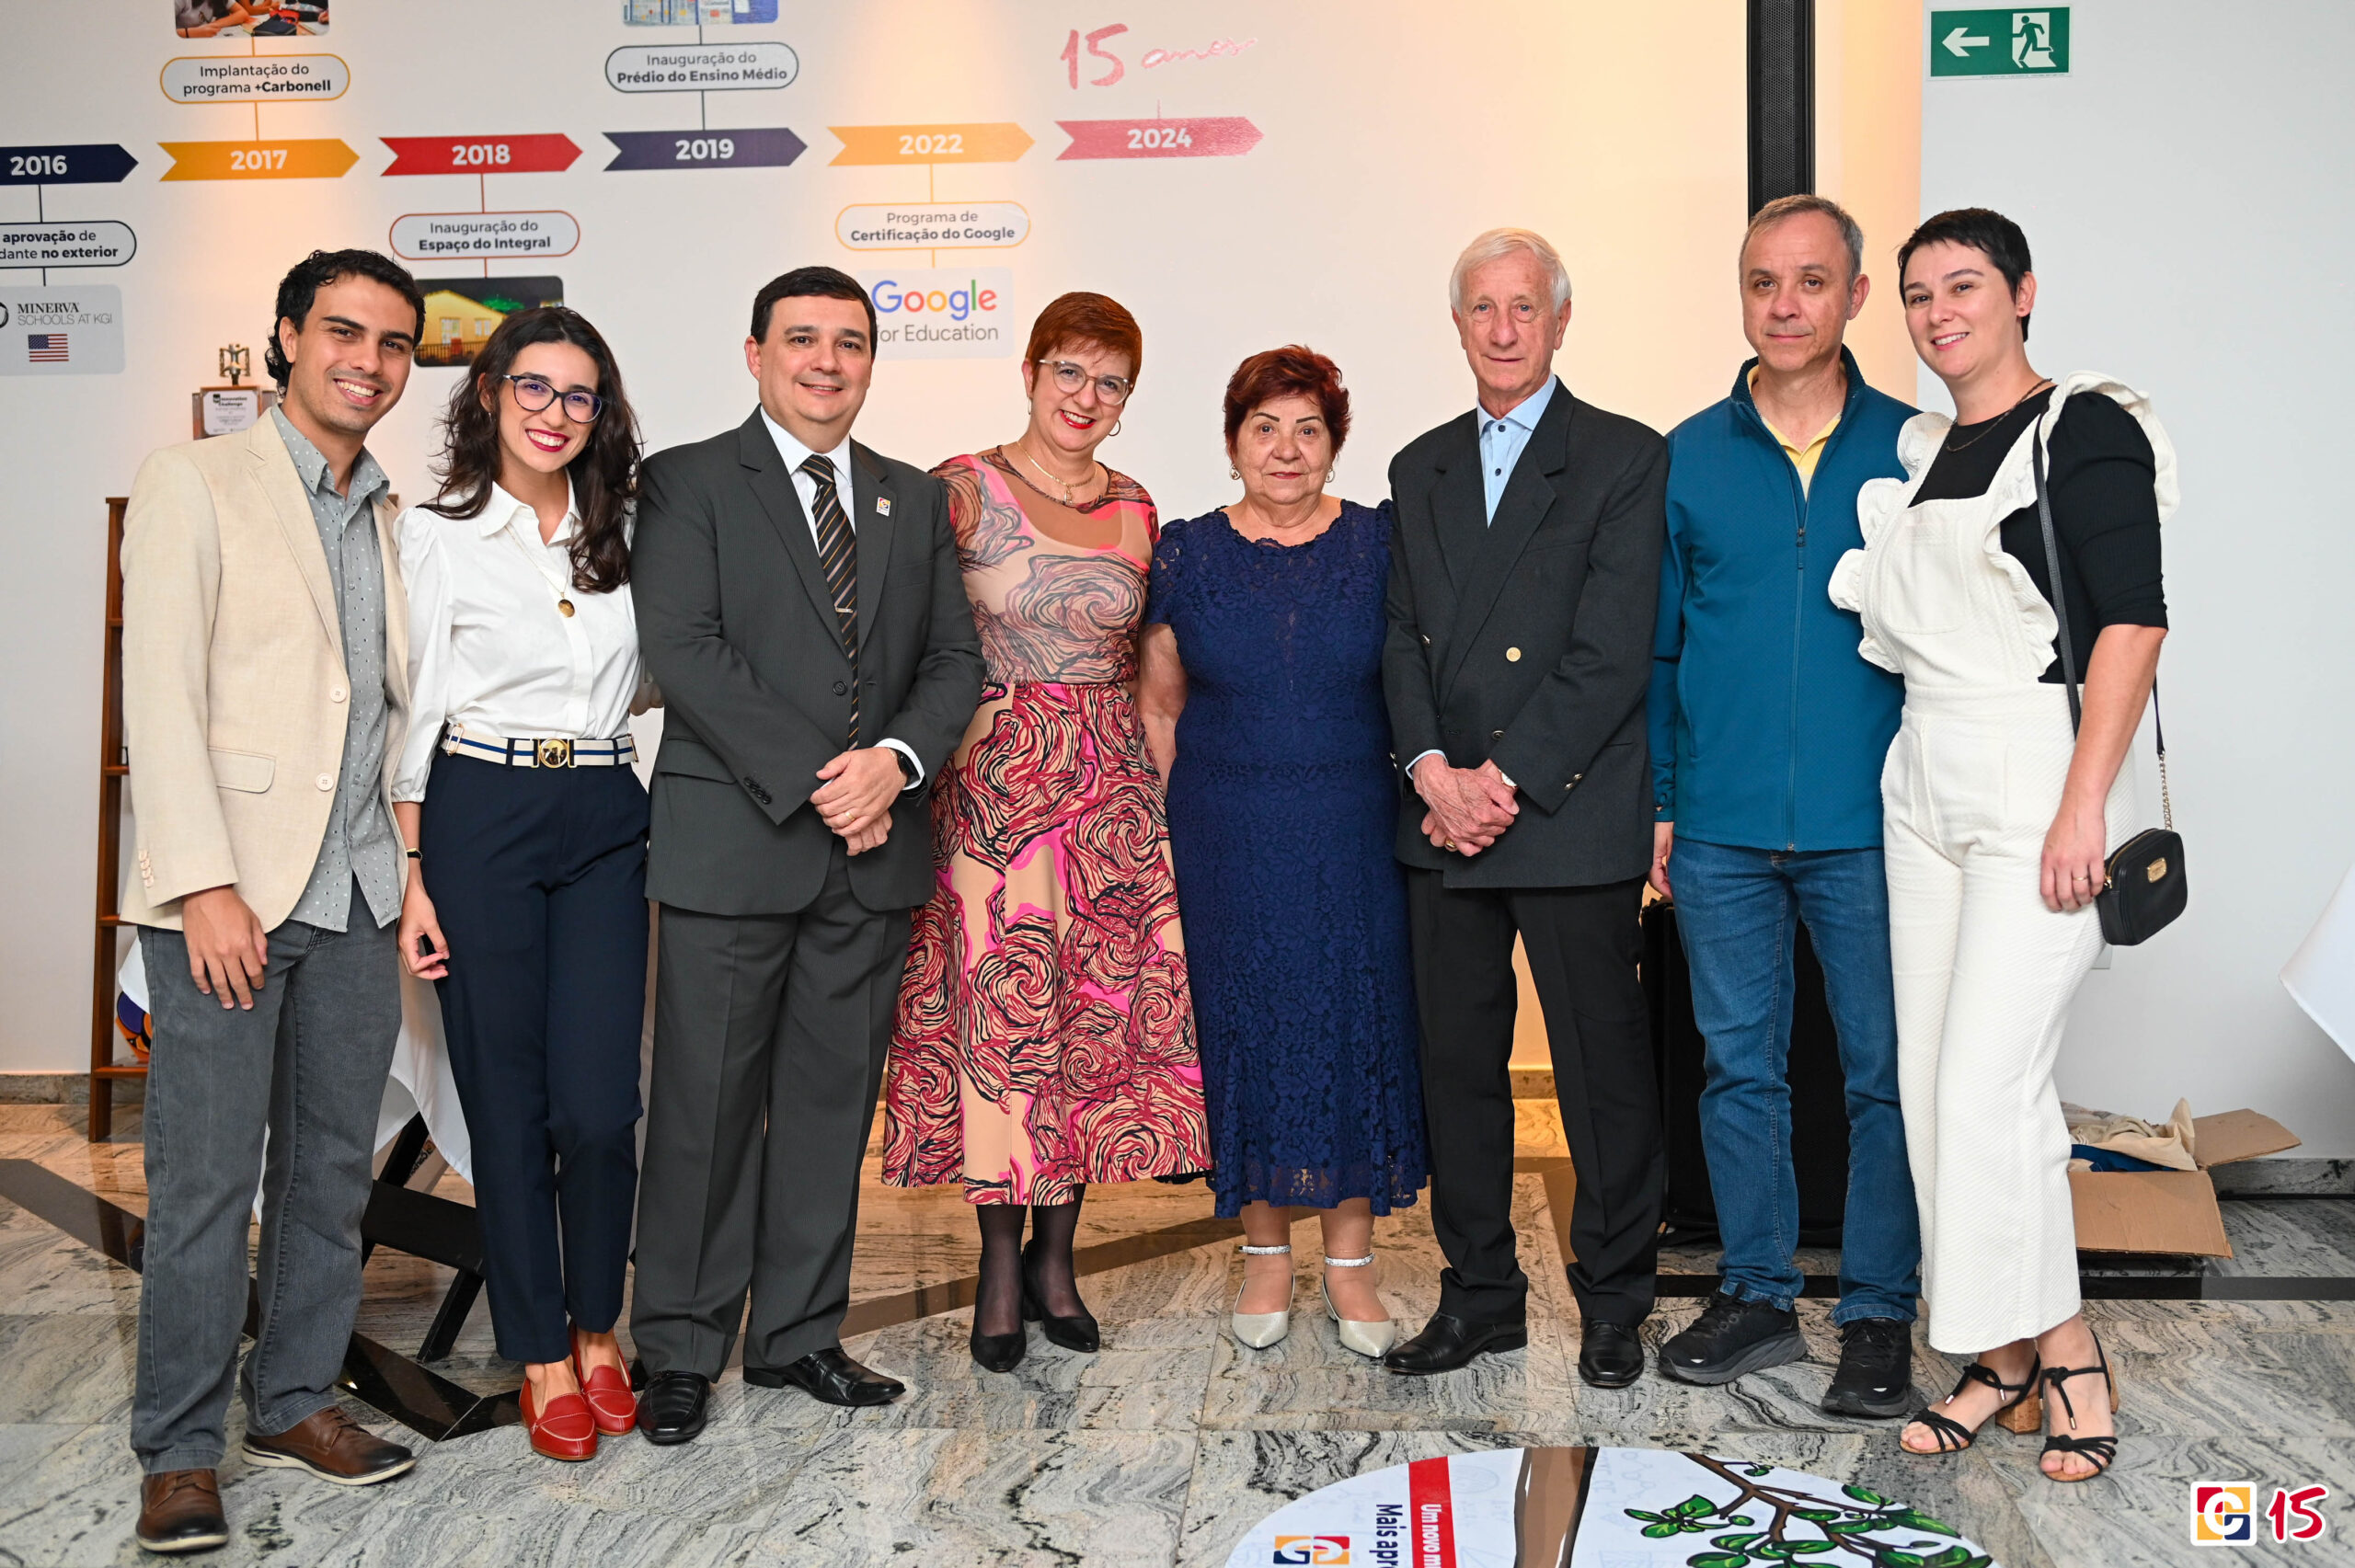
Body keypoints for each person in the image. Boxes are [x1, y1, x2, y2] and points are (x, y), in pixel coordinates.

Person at [1829, 208, 2171, 1482]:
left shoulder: (2084, 424)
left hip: (2037, 771)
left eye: (1964, 286)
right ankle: (2001, 1351)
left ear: (2022, 293)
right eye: (1918, 295)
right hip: (1921, 773)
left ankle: (2066, 1349)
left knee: (1988, 1086)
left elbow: (2132, 623)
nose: (1938, 314)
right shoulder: (1924, 453)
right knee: (1935, 1088)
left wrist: (2085, 803)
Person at [627, 267, 985, 1444]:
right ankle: (681, 1345)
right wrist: (834, 784)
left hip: (871, 855)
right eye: (802, 340)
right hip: (738, 846)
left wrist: (896, 761)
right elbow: (687, 649)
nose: (826, 362)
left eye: (849, 342)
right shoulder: (685, 482)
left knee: (830, 1111)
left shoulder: (910, 498)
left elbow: (953, 661)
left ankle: (795, 1334)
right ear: (755, 354)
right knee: (704, 1108)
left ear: (872, 360)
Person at [119, 248, 425, 1553]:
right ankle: (180, 1449)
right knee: (203, 1183)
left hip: (358, 889)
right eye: (343, 331)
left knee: (329, 1175)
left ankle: (294, 1399)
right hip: (229, 893)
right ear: (288, 338)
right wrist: (202, 884)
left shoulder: (396, 512)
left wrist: (407, 869)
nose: (368, 360)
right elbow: (160, 694)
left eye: (394, 342)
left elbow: (392, 710)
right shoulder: (196, 480)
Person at [881, 292, 1211, 1374]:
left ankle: (1055, 1260)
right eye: (1069, 370)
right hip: (991, 800)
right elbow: (911, 644)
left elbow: (1152, 672)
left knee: (1085, 1032)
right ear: (1028, 372)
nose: (1086, 396)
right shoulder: (957, 489)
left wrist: (1164, 806)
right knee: (999, 1032)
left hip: (1109, 803)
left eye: (1110, 381)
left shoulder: (1138, 506)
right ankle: (996, 1264)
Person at [1646, 195, 1923, 1413]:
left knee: (1882, 1076)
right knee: (1739, 1071)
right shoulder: (1686, 456)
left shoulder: (1917, 450)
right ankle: (1756, 1293)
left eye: (1812, 281)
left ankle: (1877, 1314)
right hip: (1720, 824)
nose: (1786, 304)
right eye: (1764, 282)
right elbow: (1659, 648)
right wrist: (1663, 800)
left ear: (1854, 295)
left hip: (1876, 826)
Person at [1380, 229, 1668, 1387]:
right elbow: (1400, 639)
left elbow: (1610, 651)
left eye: (1523, 307)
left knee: (1601, 1073)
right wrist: (1430, 771)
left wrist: (1497, 783)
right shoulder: (1418, 466)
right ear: (1457, 323)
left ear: (1559, 320)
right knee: (1455, 1069)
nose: (1503, 330)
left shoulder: (1623, 457)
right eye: (1482, 308)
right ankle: (1481, 1296)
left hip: (1566, 810)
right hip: (1441, 818)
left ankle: (1614, 1299)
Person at [392, 307, 649, 1462]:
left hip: (604, 813)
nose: (554, 413)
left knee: (597, 1106)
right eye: (533, 388)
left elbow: (657, 678)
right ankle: (543, 1347)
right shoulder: (437, 534)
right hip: (478, 814)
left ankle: (600, 1324)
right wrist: (413, 873)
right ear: (490, 392)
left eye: (578, 395)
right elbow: (411, 711)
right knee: (505, 1099)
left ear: (602, 413)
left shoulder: (622, 535)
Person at [1137, 346, 1426, 1358]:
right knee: (1246, 1027)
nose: (1286, 449)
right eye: (1265, 428)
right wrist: (1176, 830)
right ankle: (1263, 1252)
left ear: (1335, 443)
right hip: (1226, 834)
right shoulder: (1185, 554)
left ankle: (1350, 1263)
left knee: (1354, 1021)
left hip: (1355, 830)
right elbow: (1159, 707)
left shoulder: (1381, 544)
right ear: (1232, 443)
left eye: (1308, 429)